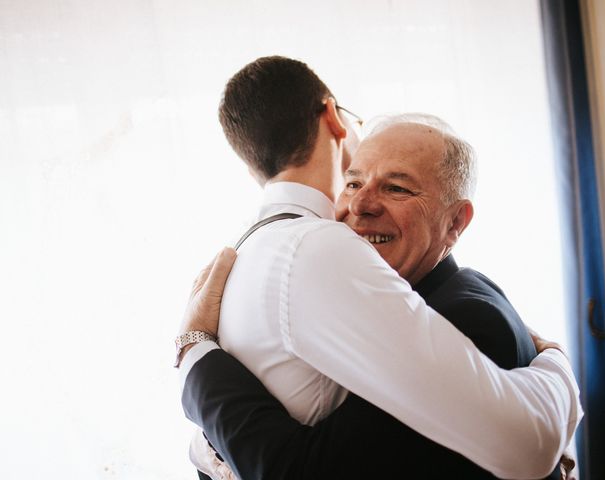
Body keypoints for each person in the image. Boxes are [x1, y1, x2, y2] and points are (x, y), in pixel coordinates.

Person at [176, 56, 582, 480]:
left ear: (455, 222)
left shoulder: (468, 320)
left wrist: (558, 364)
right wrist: (206, 445)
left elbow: (307, 469)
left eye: (396, 187)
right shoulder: (356, 301)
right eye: (352, 182)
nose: (359, 204)